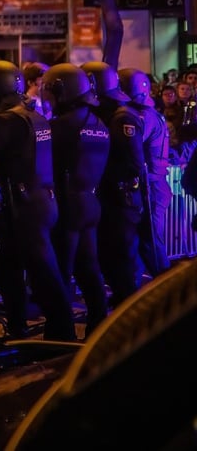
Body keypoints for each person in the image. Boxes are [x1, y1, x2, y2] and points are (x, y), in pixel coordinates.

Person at [0, 61, 75, 340]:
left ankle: (61, 334)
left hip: (24, 205)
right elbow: (18, 157)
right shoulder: (30, 115)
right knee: (11, 269)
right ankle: (23, 329)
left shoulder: (6, 120)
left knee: (42, 273)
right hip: (39, 201)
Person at [42, 63, 110, 334]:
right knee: (89, 271)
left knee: (61, 272)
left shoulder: (60, 126)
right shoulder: (99, 123)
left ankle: (61, 334)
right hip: (91, 203)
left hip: (67, 205)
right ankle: (98, 326)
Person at [84, 61, 148, 305]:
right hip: (112, 199)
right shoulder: (111, 113)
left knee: (120, 261)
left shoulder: (122, 117)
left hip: (122, 199)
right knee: (110, 260)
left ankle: (130, 317)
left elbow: (133, 163)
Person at [118, 68, 171, 279]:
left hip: (151, 187)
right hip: (154, 185)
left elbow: (132, 147)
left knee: (151, 243)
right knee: (143, 242)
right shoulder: (149, 113)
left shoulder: (142, 116)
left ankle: (166, 291)